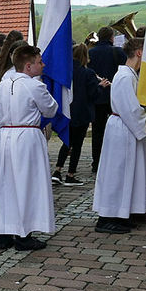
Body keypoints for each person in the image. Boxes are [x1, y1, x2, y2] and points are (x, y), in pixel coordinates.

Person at [0, 44, 59, 251]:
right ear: (28, 66)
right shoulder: (34, 86)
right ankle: (23, 235)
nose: (43, 65)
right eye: (39, 62)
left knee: (5, 185)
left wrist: (2, 135)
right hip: (27, 137)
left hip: (4, 136)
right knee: (27, 185)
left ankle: (3, 234)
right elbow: (51, 109)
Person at [93, 38, 146, 233]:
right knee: (116, 173)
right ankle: (105, 218)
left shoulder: (130, 75)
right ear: (139, 53)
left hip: (125, 127)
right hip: (122, 127)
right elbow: (131, 109)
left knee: (126, 172)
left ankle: (121, 213)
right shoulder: (125, 77)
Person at [52, 42, 109, 187]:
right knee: (77, 145)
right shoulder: (88, 73)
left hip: (68, 110)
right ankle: (70, 174)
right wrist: (101, 86)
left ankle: (57, 171)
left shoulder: (66, 71)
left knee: (67, 141)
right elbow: (93, 94)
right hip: (82, 112)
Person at [88, 26, 127, 173]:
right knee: (118, 129)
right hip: (114, 96)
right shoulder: (118, 51)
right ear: (111, 38)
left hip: (97, 96)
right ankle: (115, 161)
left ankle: (96, 163)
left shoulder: (91, 52)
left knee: (97, 132)